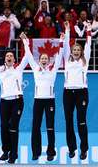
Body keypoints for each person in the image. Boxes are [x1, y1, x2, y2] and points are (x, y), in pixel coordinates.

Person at [20, 32, 64, 161]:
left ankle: (51, 152)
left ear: (49, 60)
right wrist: (24, 41)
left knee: (50, 126)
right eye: (42, 58)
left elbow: (60, 55)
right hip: (38, 101)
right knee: (36, 127)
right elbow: (28, 55)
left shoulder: (53, 69)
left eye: (46, 58)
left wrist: (61, 41)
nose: (44, 60)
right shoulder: (35, 68)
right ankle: (36, 152)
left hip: (50, 101)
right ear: (39, 61)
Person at [0, 47, 28, 164]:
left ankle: (13, 154)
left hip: (17, 101)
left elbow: (27, 56)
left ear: (14, 59)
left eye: (11, 56)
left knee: (13, 127)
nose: (9, 57)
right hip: (4, 101)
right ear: (4, 59)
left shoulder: (19, 68)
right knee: (4, 126)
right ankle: (6, 150)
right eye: (7, 56)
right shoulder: (0, 70)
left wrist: (25, 42)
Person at [63, 20, 92, 160]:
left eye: (78, 50)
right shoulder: (66, 60)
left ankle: (84, 149)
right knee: (68, 121)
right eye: (74, 50)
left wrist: (88, 30)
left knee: (81, 121)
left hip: (82, 92)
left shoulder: (84, 60)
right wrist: (68, 30)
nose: (75, 51)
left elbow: (89, 44)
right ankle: (72, 148)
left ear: (81, 52)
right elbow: (65, 46)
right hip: (68, 92)